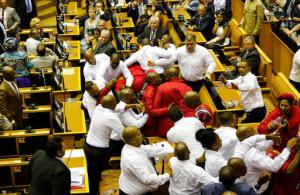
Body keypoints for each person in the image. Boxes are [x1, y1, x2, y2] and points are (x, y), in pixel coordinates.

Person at [84, 95, 124, 195]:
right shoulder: (112, 117)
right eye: (115, 102)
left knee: (90, 175)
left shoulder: (98, 108)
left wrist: (127, 107)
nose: (117, 103)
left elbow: (115, 108)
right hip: (99, 152)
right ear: (112, 105)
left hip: (87, 146)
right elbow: (124, 135)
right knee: (96, 178)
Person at [119, 126, 172, 195]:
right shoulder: (133, 158)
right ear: (133, 140)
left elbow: (147, 149)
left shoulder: (130, 145)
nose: (142, 136)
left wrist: (169, 149)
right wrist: (168, 175)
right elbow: (147, 179)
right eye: (139, 134)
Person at [154, 67, 192, 137]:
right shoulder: (188, 88)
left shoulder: (161, 87)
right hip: (184, 126)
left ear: (168, 76)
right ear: (178, 76)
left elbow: (156, 108)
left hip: (166, 127)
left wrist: (166, 110)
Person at [142, 71, 168, 136]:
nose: (160, 79)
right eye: (158, 78)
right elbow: (150, 111)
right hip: (151, 123)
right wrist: (167, 110)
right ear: (153, 81)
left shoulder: (154, 88)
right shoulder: (150, 93)